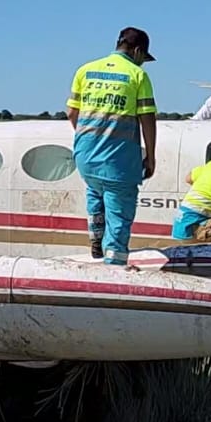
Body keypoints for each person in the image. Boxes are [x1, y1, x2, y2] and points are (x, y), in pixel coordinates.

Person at [66, 28, 158, 265]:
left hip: (85, 155)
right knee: (119, 214)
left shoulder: (85, 70)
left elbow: (71, 112)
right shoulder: (137, 75)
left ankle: (96, 237)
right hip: (119, 162)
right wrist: (151, 156)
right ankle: (114, 265)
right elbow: (147, 118)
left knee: (95, 189)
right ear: (138, 51)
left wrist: (87, 137)